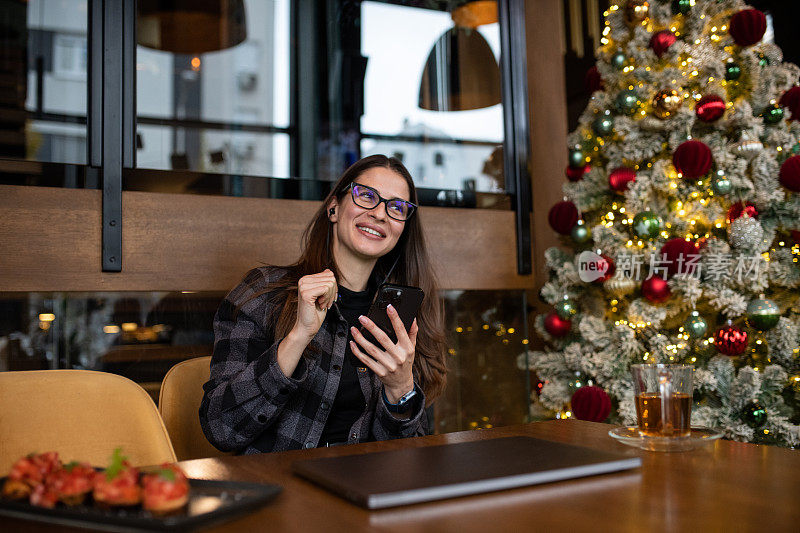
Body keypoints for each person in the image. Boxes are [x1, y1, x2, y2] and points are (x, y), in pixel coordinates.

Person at [199, 155, 447, 454]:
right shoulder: (263, 291)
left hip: (368, 489)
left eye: (396, 207)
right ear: (334, 207)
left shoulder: (403, 316)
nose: (381, 214)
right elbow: (222, 428)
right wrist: (298, 336)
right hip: (281, 487)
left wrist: (400, 389)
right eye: (367, 196)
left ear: (403, 228)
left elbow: (412, 456)